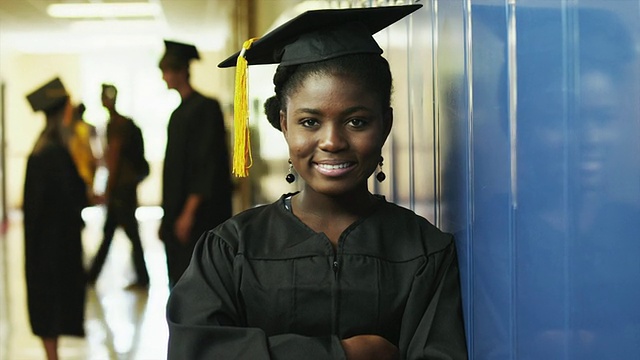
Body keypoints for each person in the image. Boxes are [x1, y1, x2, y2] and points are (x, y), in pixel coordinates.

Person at [166, 4, 468, 359]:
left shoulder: (424, 252)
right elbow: (195, 351)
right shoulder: (231, 249)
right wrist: (345, 354)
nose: (332, 142)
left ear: (385, 124)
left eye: (356, 122)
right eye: (309, 122)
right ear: (283, 124)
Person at [158, 39, 233, 288]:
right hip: (177, 209)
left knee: (198, 279)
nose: (164, 77)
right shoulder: (179, 113)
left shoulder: (205, 108)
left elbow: (206, 164)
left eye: (167, 71)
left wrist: (188, 213)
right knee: (178, 279)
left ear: (181, 71)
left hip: (198, 214)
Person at [23, 77, 88, 360]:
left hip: (45, 241)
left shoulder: (42, 149)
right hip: (54, 243)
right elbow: (72, 195)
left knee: (48, 301)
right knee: (52, 302)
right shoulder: (52, 153)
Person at [86, 84, 150, 287]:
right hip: (125, 186)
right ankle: (92, 275)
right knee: (111, 232)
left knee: (128, 232)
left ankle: (142, 276)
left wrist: (107, 188)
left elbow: (114, 158)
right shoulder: (119, 122)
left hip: (121, 188)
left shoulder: (117, 124)